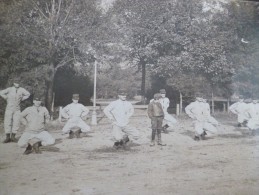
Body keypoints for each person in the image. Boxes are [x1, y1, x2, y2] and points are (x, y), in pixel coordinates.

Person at [0, 78, 30, 143]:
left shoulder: (22, 89)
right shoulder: (10, 89)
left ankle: (13, 137)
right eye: (16, 82)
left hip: (17, 108)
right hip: (9, 108)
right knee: (7, 122)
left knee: (16, 122)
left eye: (18, 82)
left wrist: (22, 98)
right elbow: (1, 92)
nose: (17, 83)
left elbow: (28, 94)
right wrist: (6, 97)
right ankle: (7, 137)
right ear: (13, 83)